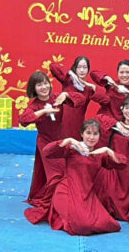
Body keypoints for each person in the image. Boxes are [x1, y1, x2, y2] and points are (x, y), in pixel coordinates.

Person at [24, 119, 126, 236]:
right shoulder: (72, 149)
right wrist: (69, 140)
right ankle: (62, 216)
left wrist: (108, 151)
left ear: (99, 136)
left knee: (110, 224)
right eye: (88, 133)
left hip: (87, 195)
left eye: (95, 134)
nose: (91, 137)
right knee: (82, 226)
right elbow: (47, 151)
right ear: (82, 134)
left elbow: (122, 164)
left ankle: (68, 216)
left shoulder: (99, 155)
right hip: (66, 191)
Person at [18, 71, 85, 205]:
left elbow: (81, 99)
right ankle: (57, 202)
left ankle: (66, 200)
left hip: (61, 141)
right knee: (56, 175)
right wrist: (44, 111)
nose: (44, 87)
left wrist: (66, 94)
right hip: (46, 144)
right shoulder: (34, 106)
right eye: (39, 85)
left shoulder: (56, 98)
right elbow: (23, 120)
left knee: (68, 172)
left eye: (45, 83)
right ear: (34, 88)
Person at [94, 96, 129, 221]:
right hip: (113, 164)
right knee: (109, 194)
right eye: (127, 108)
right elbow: (98, 118)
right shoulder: (114, 125)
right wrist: (118, 124)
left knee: (125, 204)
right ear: (122, 109)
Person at [50, 56, 109, 139]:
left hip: (77, 126)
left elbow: (106, 100)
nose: (82, 70)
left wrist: (92, 86)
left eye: (84, 67)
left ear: (88, 69)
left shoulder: (88, 88)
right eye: (79, 67)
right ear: (75, 68)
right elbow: (53, 66)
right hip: (62, 123)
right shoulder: (68, 80)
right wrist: (71, 74)